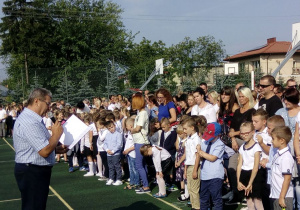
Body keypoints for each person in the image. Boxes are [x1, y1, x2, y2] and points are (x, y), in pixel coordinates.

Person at [14, 88, 66, 210]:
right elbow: (44, 151)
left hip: (33, 169)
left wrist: (56, 149)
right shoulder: (30, 121)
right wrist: (56, 135)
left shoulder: (33, 119)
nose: (49, 107)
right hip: (32, 171)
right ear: (37, 101)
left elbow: (38, 146)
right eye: (47, 103)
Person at [237, 122, 264, 210]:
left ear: (252, 132)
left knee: (257, 201)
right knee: (249, 201)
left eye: (246, 133)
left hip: (255, 176)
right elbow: (239, 165)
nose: (244, 136)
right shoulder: (242, 148)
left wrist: (250, 183)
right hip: (244, 174)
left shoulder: (256, 147)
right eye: (242, 133)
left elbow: (255, 167)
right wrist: (238, 181)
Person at [198, 122, 224, 210]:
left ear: (217, 135)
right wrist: (200, 153)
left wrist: (200, 151)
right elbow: (202, 157)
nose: (208, 138)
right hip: (205, 175)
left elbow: (212, 158)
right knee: (203, 199)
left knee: (216, 200)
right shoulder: (205, 142)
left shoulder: (220, 144)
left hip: (215, 175)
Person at [131, 93, 151, 194]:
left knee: (139, 165)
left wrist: (132, 130)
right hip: (138, 141)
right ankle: (145, 183)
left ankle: (146, 186)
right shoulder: (140, 112)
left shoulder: (143, 113)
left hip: (141, 141)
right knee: (142, 164)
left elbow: (138, 128)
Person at [270, 126, 294, 210]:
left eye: (273, 139)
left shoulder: (286, 158)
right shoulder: (278, 154)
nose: (271, 141)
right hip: (277, 195)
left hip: (284, 198)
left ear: (282, 140)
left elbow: (287, 178)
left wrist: (282, 197)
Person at [182, 118, 201, 210]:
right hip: (189, 165)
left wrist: (195, 170)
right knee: (190, 188)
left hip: (194, 166)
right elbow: (188, 156)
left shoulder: (196, 139)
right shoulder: (189, 139)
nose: (184, 131)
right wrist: (185, 170)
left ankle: (197, 207)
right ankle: (194, 206)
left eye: (185, 129)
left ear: (192, 128)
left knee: (194, 189)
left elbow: (197, 155)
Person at [103, 121, 123, 186]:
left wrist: (113, 151)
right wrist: (107, 150)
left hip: (115, 154)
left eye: (112, 127)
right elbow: (105, 144)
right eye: (109, 128)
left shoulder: (118, 134)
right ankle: (111, 178)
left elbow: (119, 144)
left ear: (114, 126)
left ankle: (119, 179)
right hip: (108, 154)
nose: (111, 129)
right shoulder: (107, 135)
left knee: (117, 166)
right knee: (110, 167)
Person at [123, 118, 140, 189]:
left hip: (133, 154)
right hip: (129, 154)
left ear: (130, 126)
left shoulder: (134, 134)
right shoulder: (130, 133)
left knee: (135, 169)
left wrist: (128, 150)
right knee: (131, 169)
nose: (126, 127)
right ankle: (132, 182)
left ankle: (137, 183)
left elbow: (135, 145)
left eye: (126, 126)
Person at [175, 125, 188, 201]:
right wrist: (176, 160)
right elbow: (178, 151)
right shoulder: (181, 141)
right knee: (182, 177)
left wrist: (179, 162)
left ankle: (187, 194)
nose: (179, 136)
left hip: (184, 162)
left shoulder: (186, 141)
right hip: (180, 161)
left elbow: (185, 154)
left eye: (180, 134)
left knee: (185, 178)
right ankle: (186, 193)